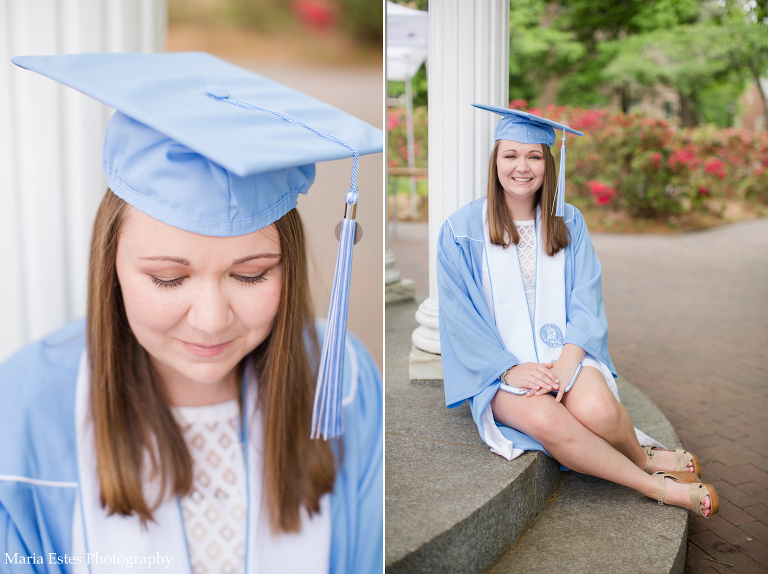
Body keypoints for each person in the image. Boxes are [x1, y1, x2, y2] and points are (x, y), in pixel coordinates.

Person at [0, 52, 383, 573]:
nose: (210, 319)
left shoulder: (340, 381)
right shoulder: (24, 407)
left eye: (250, 275)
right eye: (168, 278)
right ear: (110, 263)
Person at [436, 104, 718, 518]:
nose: (522, 167)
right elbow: (459, 315)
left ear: (548, 165)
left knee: (598, 410)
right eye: (510, 155)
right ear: (495, 160)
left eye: (534, 156)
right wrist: (507, 368)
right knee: (550, 422)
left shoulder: (569, 220)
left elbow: (587, 297)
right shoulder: (461, 230)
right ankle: (654, 483)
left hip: (561, 353)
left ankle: (639, 457)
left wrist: (568, 361)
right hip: (496, 368)